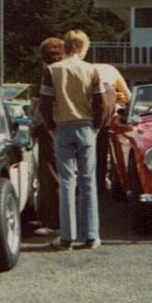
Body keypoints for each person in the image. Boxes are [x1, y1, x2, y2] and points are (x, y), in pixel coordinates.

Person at [39, 29, 109, 250]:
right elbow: (102, 103)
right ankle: (91, 236)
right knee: (88, 182)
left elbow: (45, 104)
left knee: (67, 182)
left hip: (62, 129)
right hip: (87, 128)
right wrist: (96, 127)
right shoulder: (91, 70)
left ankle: (67, 238)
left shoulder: (52, 70)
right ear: (81, 47)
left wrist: (51, 128)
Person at [28, 37, 65, 235]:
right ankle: (70, 219)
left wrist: (34, 125)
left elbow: (45, 104)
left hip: (50, 130)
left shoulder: (49, 72)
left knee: (49, 175)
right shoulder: (70, 69)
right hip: (71, 126)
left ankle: (52, 222)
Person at [93, 63, 132, 194]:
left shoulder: (87, 69)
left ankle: (91, 183)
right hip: (106, 108)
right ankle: (101, 185)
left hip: (86, 109)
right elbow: (128, 96)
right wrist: (120, 100)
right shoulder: (112, 71)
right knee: (104, 146)